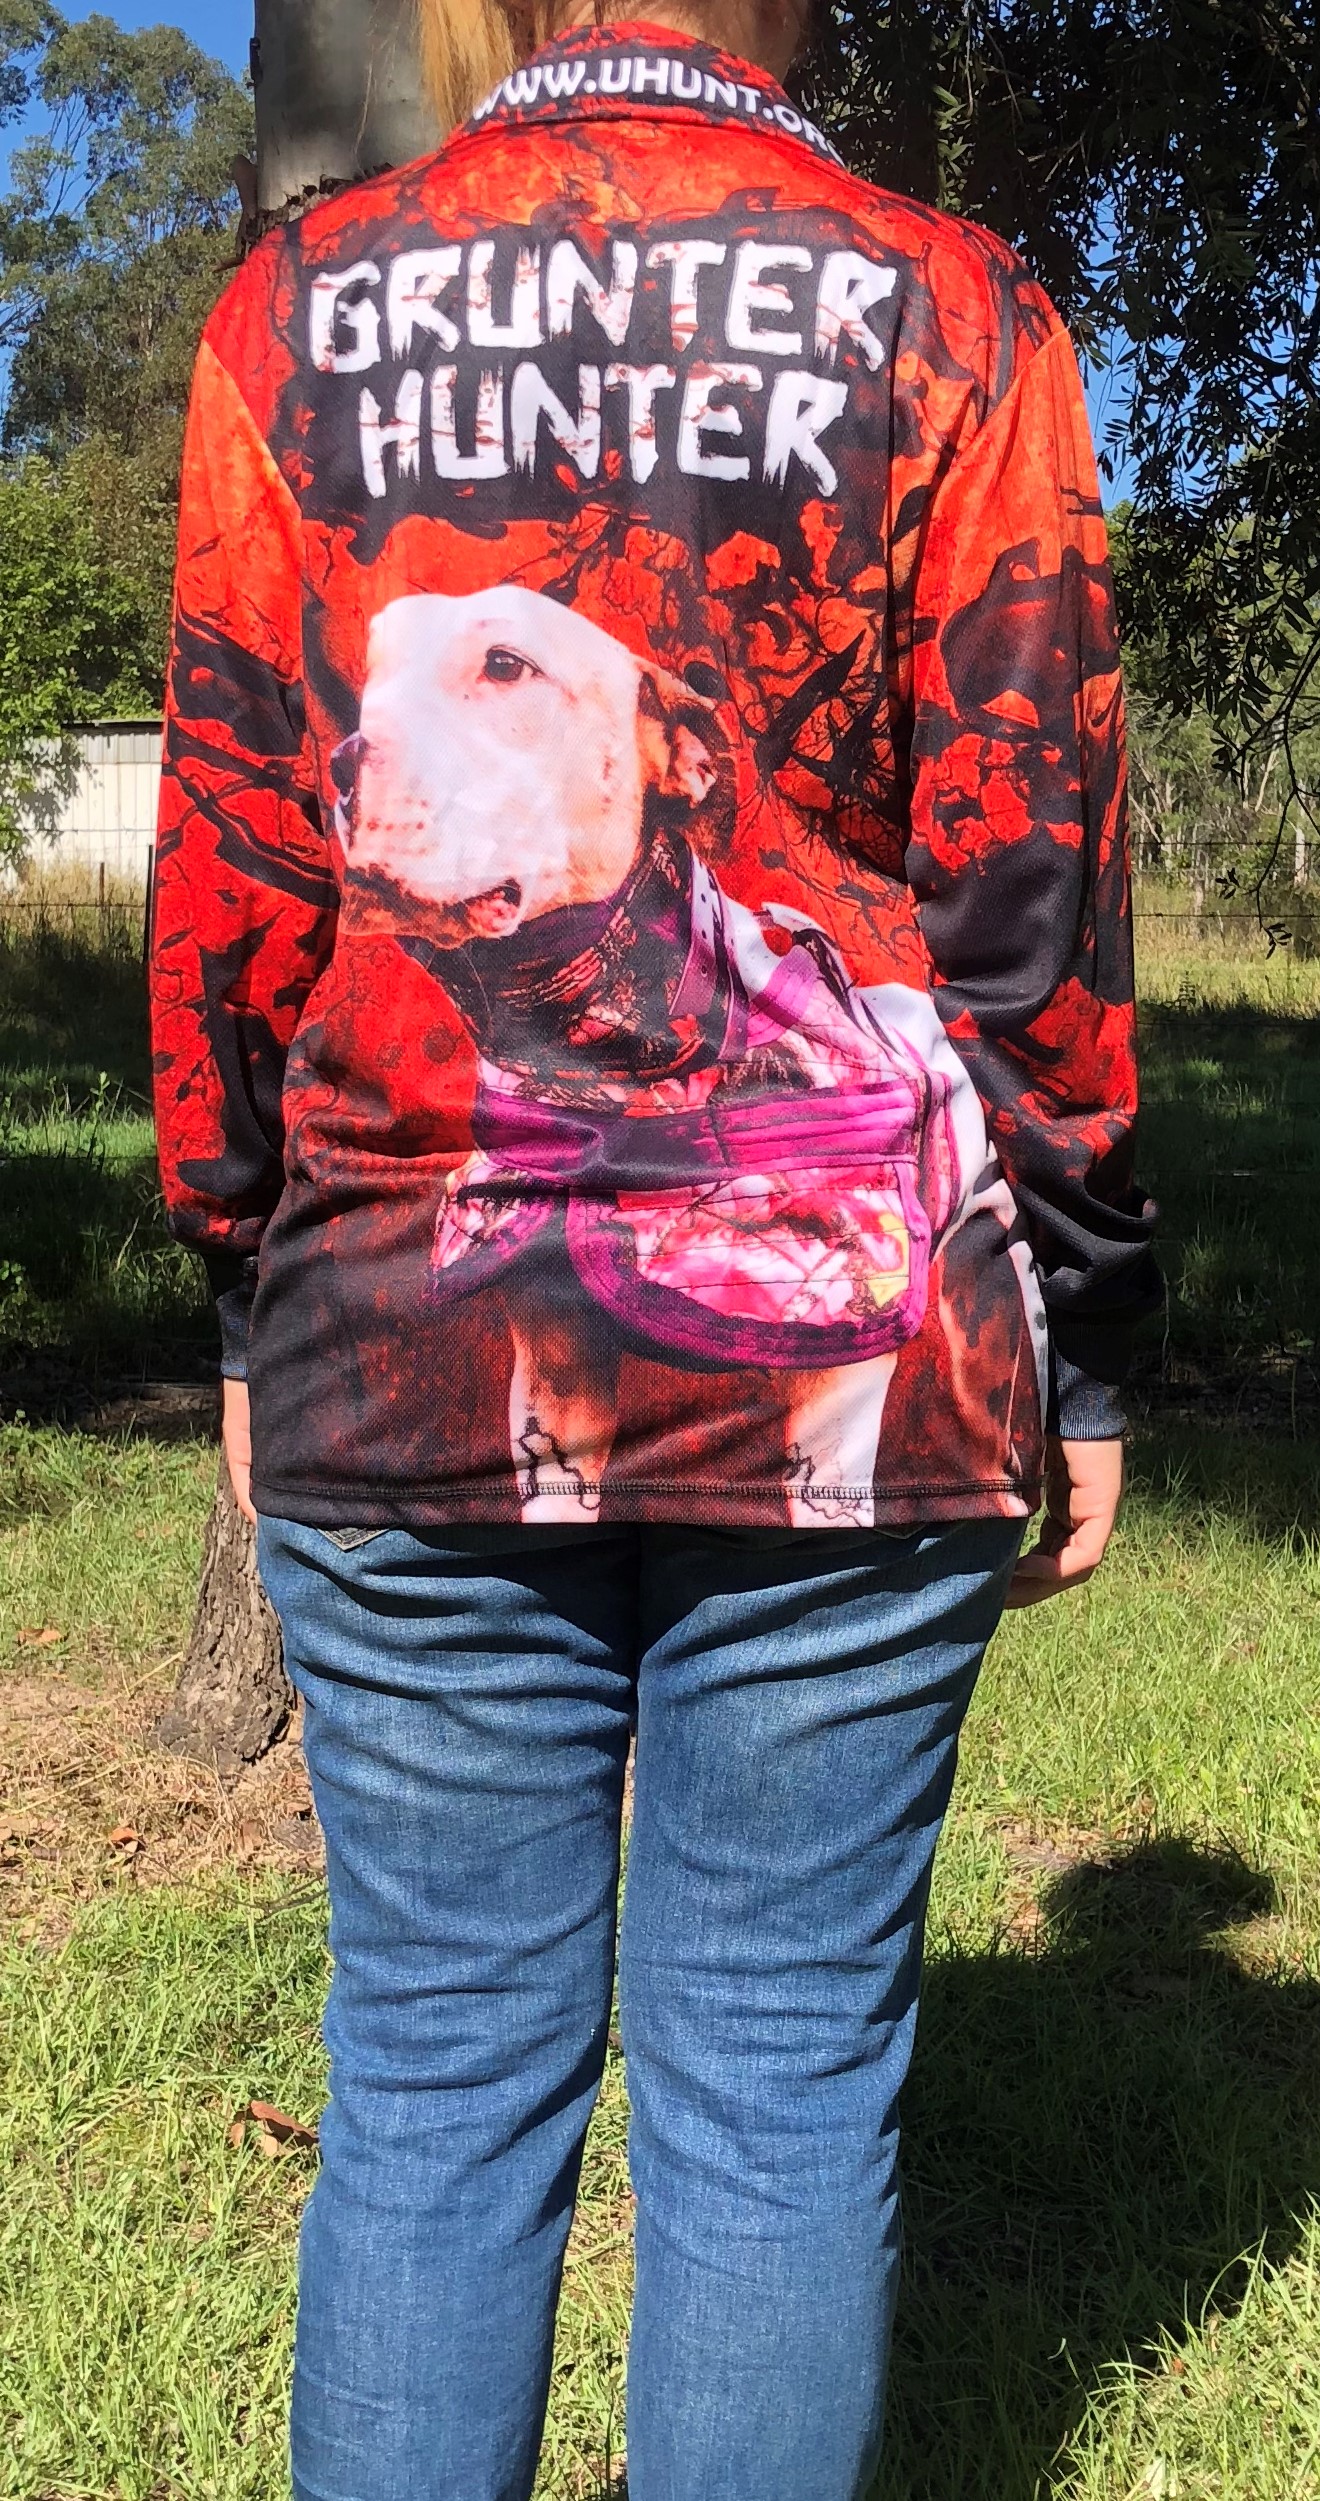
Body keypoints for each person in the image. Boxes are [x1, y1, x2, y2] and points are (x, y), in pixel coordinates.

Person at [149, 2, 1159, 2493]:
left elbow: (233, 861)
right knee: (782, 2083)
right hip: (870, 1362)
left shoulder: (297, 310)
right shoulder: (957, 310)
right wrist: (1087, 1319)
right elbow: (1030, 868)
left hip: (390, 1321)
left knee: (431, 2082)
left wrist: (242, 1281)